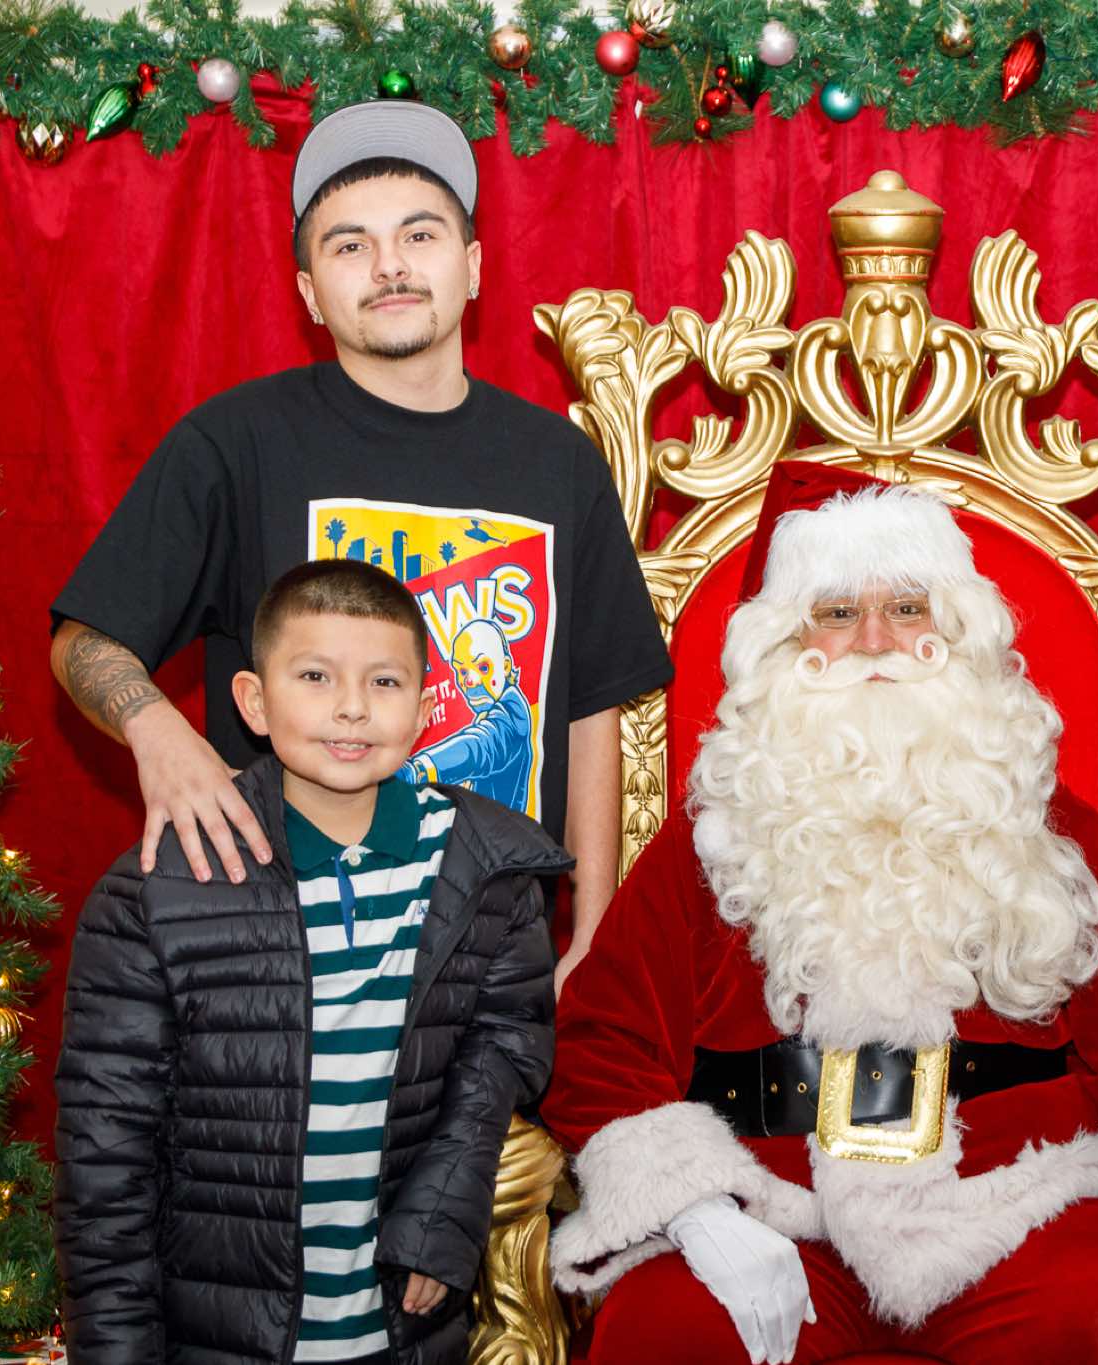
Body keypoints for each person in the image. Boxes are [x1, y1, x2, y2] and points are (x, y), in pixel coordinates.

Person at [543, 462, 1098, 1365]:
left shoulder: (1033, 815)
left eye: (908, 608)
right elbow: (602, 1040)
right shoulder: (713, 833)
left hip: (1012, 1203)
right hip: (774, 1207)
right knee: (663, 1337)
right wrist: (694, 1205)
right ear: (784, 639)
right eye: (839, 611)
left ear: (954, 628)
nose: (876, 640)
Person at [47, 99, 669, 986]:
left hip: (491, 961)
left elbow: (591, 704)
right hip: (279, 961)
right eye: (350, 245)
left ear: (473, 266)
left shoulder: (558, 462)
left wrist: (595, 931)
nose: (389, 266)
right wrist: (160, 735)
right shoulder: (235, 444)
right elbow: (85, 638)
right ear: (309, 292)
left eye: (420, 234)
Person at [54, 559, 565, 1364]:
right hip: (219, 1336)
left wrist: (442, 1211)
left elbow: (502, 1050)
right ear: (255, 701)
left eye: (385, 681)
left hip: (405, 1331)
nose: (352, 706)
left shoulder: (490, 868)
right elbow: (104, 1159)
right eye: (316, 675)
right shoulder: (156, 890)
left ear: (424, 706)